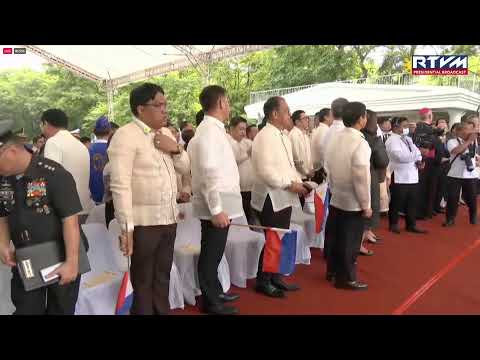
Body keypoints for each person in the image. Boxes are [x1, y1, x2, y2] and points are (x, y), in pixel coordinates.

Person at [108, 83, 190, 315]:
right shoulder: (125, 136)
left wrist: (174, 148)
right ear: (141, 109)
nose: (165, 110)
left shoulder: (165, 134)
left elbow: (185, 167)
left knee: (163, 275)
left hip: (168, 218)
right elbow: (120, 185)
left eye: (165, 104)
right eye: (159, 105)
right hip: (143, 223)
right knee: (142, 280)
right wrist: (127, 228)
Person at [0, 120, 83, 315]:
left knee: (60, 310)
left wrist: (72, 262)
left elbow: (70, 221)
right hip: (27, 257)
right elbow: (2, 214)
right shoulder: (4, 180)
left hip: (60, 254)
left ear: (10, 151)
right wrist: (3, 244)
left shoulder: (53, 174)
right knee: (26, 309)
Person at [188, 85, 242, 315]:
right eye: (227, 101)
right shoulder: (209, 131)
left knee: (215, 253)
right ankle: (211, 302)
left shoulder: (214, 129)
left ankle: (216, 291)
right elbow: (209, 173)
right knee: (211, 254)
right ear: (220, 103)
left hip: (221, 202)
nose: (229, 105)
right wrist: (217, 209)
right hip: (215, 204)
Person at [251, 96, 307, 298]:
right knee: (272, 239)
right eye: (286, 110)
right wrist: (290, 184)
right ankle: (263, 280)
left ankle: (274, 276)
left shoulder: (282, 135)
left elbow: (288, 166)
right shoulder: (265, 136)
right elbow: (265, 171)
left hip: (284, 194)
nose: (289, 114)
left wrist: (299, 181)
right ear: (274, 114)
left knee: (279, 238)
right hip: (271, 196)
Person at [324, 102, 372, 291]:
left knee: (336, 237)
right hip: (353, 199)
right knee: (350, 241)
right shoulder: (359, 142)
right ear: (361, 119)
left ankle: (333, 271)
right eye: (365, 115)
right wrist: (366, 204)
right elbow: (360, 176)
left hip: (337, 194)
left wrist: (334, 188)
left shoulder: (335, 137)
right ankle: (346, 278)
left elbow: (327, 166)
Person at [41, 109, 94, 224]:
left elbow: (50, 177)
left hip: (65, 210)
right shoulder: (80, 145)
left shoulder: (53, 142)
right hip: (84, 206)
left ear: (46, 123)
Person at [385, 117, 427, 234]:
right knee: (397, 201)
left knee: (412, 201)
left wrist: (419, 161)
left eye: (407, 126)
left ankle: (411, 224)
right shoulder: (392, 140)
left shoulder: (408, 139)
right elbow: (400, 157)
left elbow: (417, 152)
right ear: (395, 127)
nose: (407, 128)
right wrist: (417, 154)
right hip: (399, 175)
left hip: (412, 175)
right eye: (404, 126)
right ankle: (393, 224)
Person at [360, 110, 389, 254]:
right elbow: (382, 160)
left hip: (366, 175)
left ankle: (366, 232)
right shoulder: (369, 138)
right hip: (369, 175)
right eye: (374, 121)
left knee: (369, 205)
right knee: (368, 206)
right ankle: (360, 240)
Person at [443, 120, 478, 227]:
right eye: (467, 129)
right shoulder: (452, 141)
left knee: (471, 197)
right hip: (455, 174)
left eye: (471, 129)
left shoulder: (474, 141)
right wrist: (468, 142)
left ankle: (473, 216)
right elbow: (455, 151)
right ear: (460, 130)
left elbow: (473, 155)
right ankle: (450, 219)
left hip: (470, 174)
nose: (469, 132)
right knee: (452, 197)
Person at [227, 116, 255, 225]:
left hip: (250, 187)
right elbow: (234, 160)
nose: (243, 132)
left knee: (250, 217)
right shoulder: (227, 142)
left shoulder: (247, 142)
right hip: (238, 189)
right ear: (231, 129)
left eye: (245, 129)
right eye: (240, 129)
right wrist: (247, 153)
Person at [289, 110, 314, 208]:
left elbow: (308, 154)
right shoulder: (294, 135)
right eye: (304, 118)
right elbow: (296, 158)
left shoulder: (304, 134)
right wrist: (306, 171)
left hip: (307, 174)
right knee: (301, 203)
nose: (307, 120)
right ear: (297, 122)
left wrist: (311, 168)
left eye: (307, 118)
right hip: (300, 175)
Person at [320, 98, 349, 173]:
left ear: (332, 113)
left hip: (331, 179)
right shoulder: (349, 133)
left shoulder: (328, 132)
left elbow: (323, 158)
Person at [89, 116, 112, 205]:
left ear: (94, 131)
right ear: (110, 131)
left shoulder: (88, 149)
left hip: (94, 195)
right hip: (110, 197)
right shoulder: (113, 148)